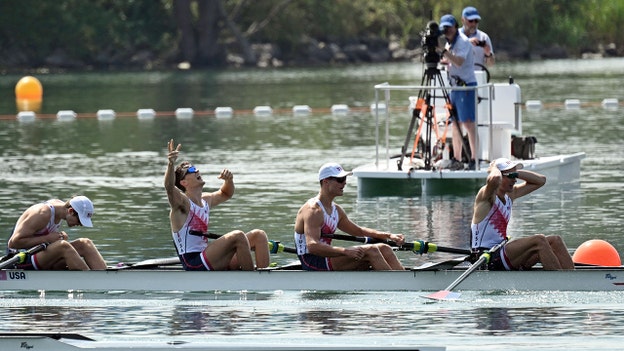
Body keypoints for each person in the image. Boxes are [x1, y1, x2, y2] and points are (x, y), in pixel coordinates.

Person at [164, 139, 270, 271]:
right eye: (191, 169)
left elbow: (226, 193)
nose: (196, 170)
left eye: (195, 167)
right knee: (238, 236)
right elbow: (169, 187)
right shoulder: (182, 204)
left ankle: (265, 277)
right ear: (184, 182)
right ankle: (253, 281)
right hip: (194, 263)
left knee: (258, 235)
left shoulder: (205, 200)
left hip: (208, 257)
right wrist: (170, 164)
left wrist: (229, 180)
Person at [294, 162, 405, 271]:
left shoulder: (336, 210)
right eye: (340, 180)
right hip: (312, 261)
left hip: (328, 258)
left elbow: (358, 231)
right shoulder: (313, 210)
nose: (344, 183)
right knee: (372, 250)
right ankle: (395, 284)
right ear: (326, 181)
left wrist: (389, 235)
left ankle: (403, 281)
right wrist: (345, 251)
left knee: (385, 248)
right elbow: (313, 246)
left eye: (345, 179)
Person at [471, 158, 574, 270]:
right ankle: (560, 282)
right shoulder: (486, 196)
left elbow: (541, 180)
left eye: (515, 176)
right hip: (486, 257)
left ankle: (573, 280)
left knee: (555, 240)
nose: (515, 180)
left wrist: (514, 173)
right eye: (510, 176)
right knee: (539, 240)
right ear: (500, 176)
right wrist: (494, 167)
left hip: (500, 252)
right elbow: (494, 179)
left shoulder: (510, 195)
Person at [6, 195, 107, 270]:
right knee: (63, 246)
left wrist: (55, 239)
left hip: (40, 256)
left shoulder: (60, 208)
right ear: (71, 211)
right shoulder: (42, 213)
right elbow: (13, 243)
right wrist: (48, 239)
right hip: (21, 259)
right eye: (80, 220)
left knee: (85, 243)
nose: (81, 225)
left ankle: (105, 277)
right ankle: (91, 281)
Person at [439, 14, 478, 171]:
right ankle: (457, 158)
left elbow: (459, 62)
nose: (447, 31)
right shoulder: (450, 43)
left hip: (466, 87)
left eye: (449, 28)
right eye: (445, 29)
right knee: (455, 124)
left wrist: (443, 51)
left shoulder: (462, 41)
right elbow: (449, 61)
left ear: (455, 27)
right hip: (455, 87)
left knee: (468, 124)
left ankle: (474, 159)